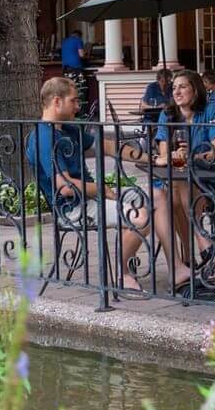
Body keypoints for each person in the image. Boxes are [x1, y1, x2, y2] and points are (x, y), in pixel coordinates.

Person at [25, 77, 153, 292]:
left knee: (151, 200)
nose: (78, 106)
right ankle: (120, 272)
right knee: (142, 218)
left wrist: (151, 158)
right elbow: (65, 187)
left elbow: (108, 146)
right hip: (73, 207)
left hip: (90, 197)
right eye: (74, 101)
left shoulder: (66, 129)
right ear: (57, 101)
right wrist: (102, 190)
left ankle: (133, 257)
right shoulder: (44, 137)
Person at [151, 70, 215, 290]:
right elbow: (164, 155)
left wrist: (193, 156)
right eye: (174, 88)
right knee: (170, 191)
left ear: (195, 89)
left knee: (174, 190)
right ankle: (203, 245)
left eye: (182, 86)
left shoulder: (210, 110)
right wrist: (174, 156)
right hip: (176, 182)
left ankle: (187, 258)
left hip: (205, 181)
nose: (177, 91)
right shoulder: (168, 113)